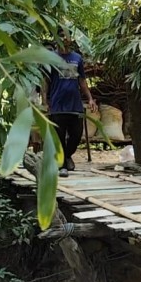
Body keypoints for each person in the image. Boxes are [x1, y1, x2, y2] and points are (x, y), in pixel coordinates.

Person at [42, 27, 98, 177]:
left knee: (76, 135)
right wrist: (45, 100)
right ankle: (62, 166)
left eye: (67, 37)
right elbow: (46, 81)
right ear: (57, 38)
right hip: (58, 105)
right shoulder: (51, 58)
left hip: (75, 104)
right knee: (59, 136)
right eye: (62, 36)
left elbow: (82, 81)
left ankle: (67, 156)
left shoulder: (77, 58)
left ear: (70, 39)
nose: (65, 39)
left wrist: (90, 98)